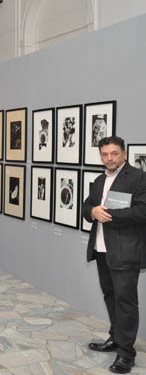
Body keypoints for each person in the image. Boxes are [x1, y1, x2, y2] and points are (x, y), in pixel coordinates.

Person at [83, 136, 146, 374]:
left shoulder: (139, 178)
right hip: (101, 250)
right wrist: (92, 211)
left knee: (126, 302)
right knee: (110, 296)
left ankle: (126, 354)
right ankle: (116, 339)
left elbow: (142, 211)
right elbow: (86, 207)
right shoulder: (100, 180)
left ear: (124, 154)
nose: (109, 158)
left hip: (125, 251)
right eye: (105, 154)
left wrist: (107, 215)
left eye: (114, 154)